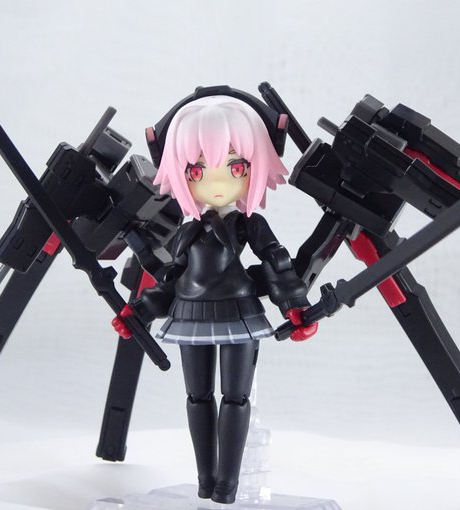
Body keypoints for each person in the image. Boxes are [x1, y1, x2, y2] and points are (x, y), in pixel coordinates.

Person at [113, 92, 318, 504]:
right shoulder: (186, 231)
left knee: (236, 398)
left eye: (236, 167)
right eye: (198, 170)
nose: (218, 182)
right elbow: (170, 278)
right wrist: (139, 311)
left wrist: (295, 306)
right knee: (197, 397)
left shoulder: (248, 225)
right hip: (189, 312)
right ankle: (205, 480)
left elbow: (277, 264)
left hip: (240, 313)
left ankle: (228, 484)